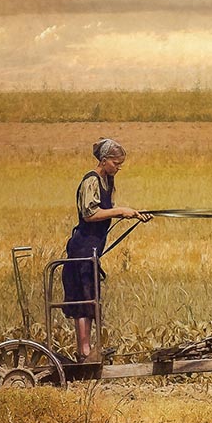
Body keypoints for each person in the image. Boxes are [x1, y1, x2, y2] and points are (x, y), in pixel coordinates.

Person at [61, 138, 151, 363]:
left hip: (93, 249)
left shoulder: (108, 180)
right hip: (81, 248)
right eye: (116, 163)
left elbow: (109, 210)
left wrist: (136, 214)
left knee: (91, 300)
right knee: (82, 302)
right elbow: (90, 214)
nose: (118, 167)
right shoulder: (91, 181)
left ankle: (88, 350)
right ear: (104, 160)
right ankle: (84, 352)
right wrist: (120, 211)